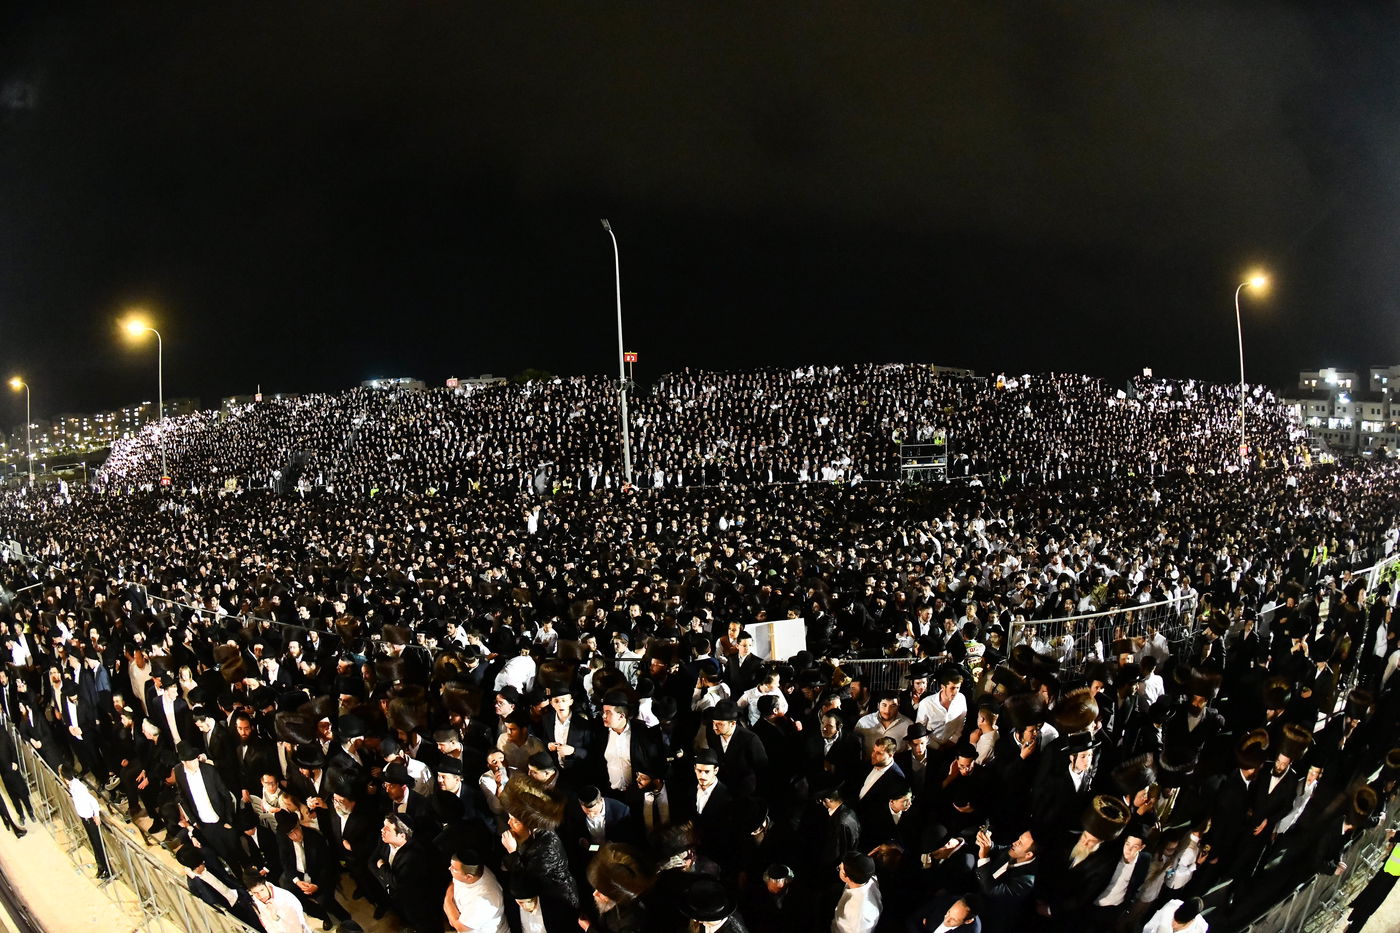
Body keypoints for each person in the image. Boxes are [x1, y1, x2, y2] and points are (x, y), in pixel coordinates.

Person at [444, 847, 509, 933]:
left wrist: (448, 899)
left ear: (468, 877)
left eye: (454, 869)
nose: (449, 869)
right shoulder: (472, 871)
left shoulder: (484, 900)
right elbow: (454, 882)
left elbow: (460, 926)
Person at [61, 764, 109, 880]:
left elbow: (92, 801)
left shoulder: (79, 787)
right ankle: (100, 867)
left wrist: (96, 815)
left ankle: (107, 870)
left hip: (90, 819)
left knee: (98, 845)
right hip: (84, 818)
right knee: (93, 843)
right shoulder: (72, 787)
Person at [247, 874, 316, 933]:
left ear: (267, 885)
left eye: (262, 890)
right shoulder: (257, 899)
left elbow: (296, 929)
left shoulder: (287, 900)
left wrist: (275, 917)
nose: (260, 895)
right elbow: (265, 921)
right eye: (255, 893)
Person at [833, 850, 882, 933]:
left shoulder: (860, 914)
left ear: (845, 876)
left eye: (839, 869)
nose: (838, 868)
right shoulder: (868, 877)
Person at [1141, 897, 1207, 933]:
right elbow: (1151, 925)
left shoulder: (1199, 929)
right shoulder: (1171, 906)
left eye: (1179, 923)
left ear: (1190, 921)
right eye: (1174, 919)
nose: (1174, 925)